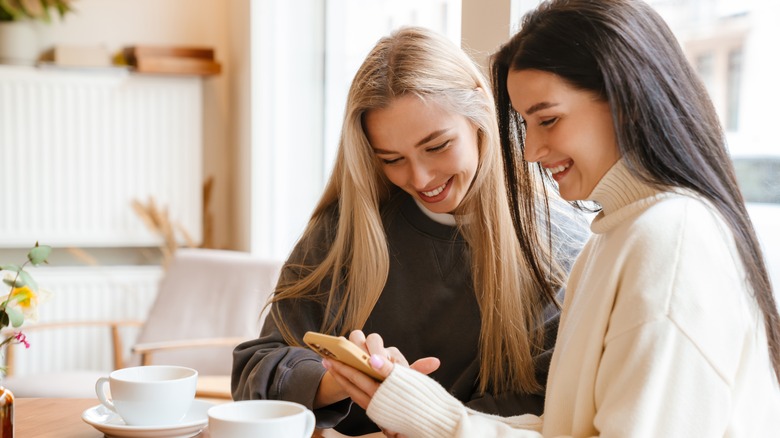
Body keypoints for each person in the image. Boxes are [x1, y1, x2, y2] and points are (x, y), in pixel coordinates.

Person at [323, 0, 780, 436]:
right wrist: (422, 409)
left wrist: (440, 420)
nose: (530, 152)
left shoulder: (671, 241)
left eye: (548, 120)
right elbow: (570, 428)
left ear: (625, 98)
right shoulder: (614, 237)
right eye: (525, 124)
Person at [231, 27, 587, 436]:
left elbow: (547, 400)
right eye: (391, 158)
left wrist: (419, 413)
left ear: (479, 118)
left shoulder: (555, 244)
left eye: (437, 146)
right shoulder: (347, 231)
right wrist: (341, 379)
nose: (419, 178)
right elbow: (254, 376)